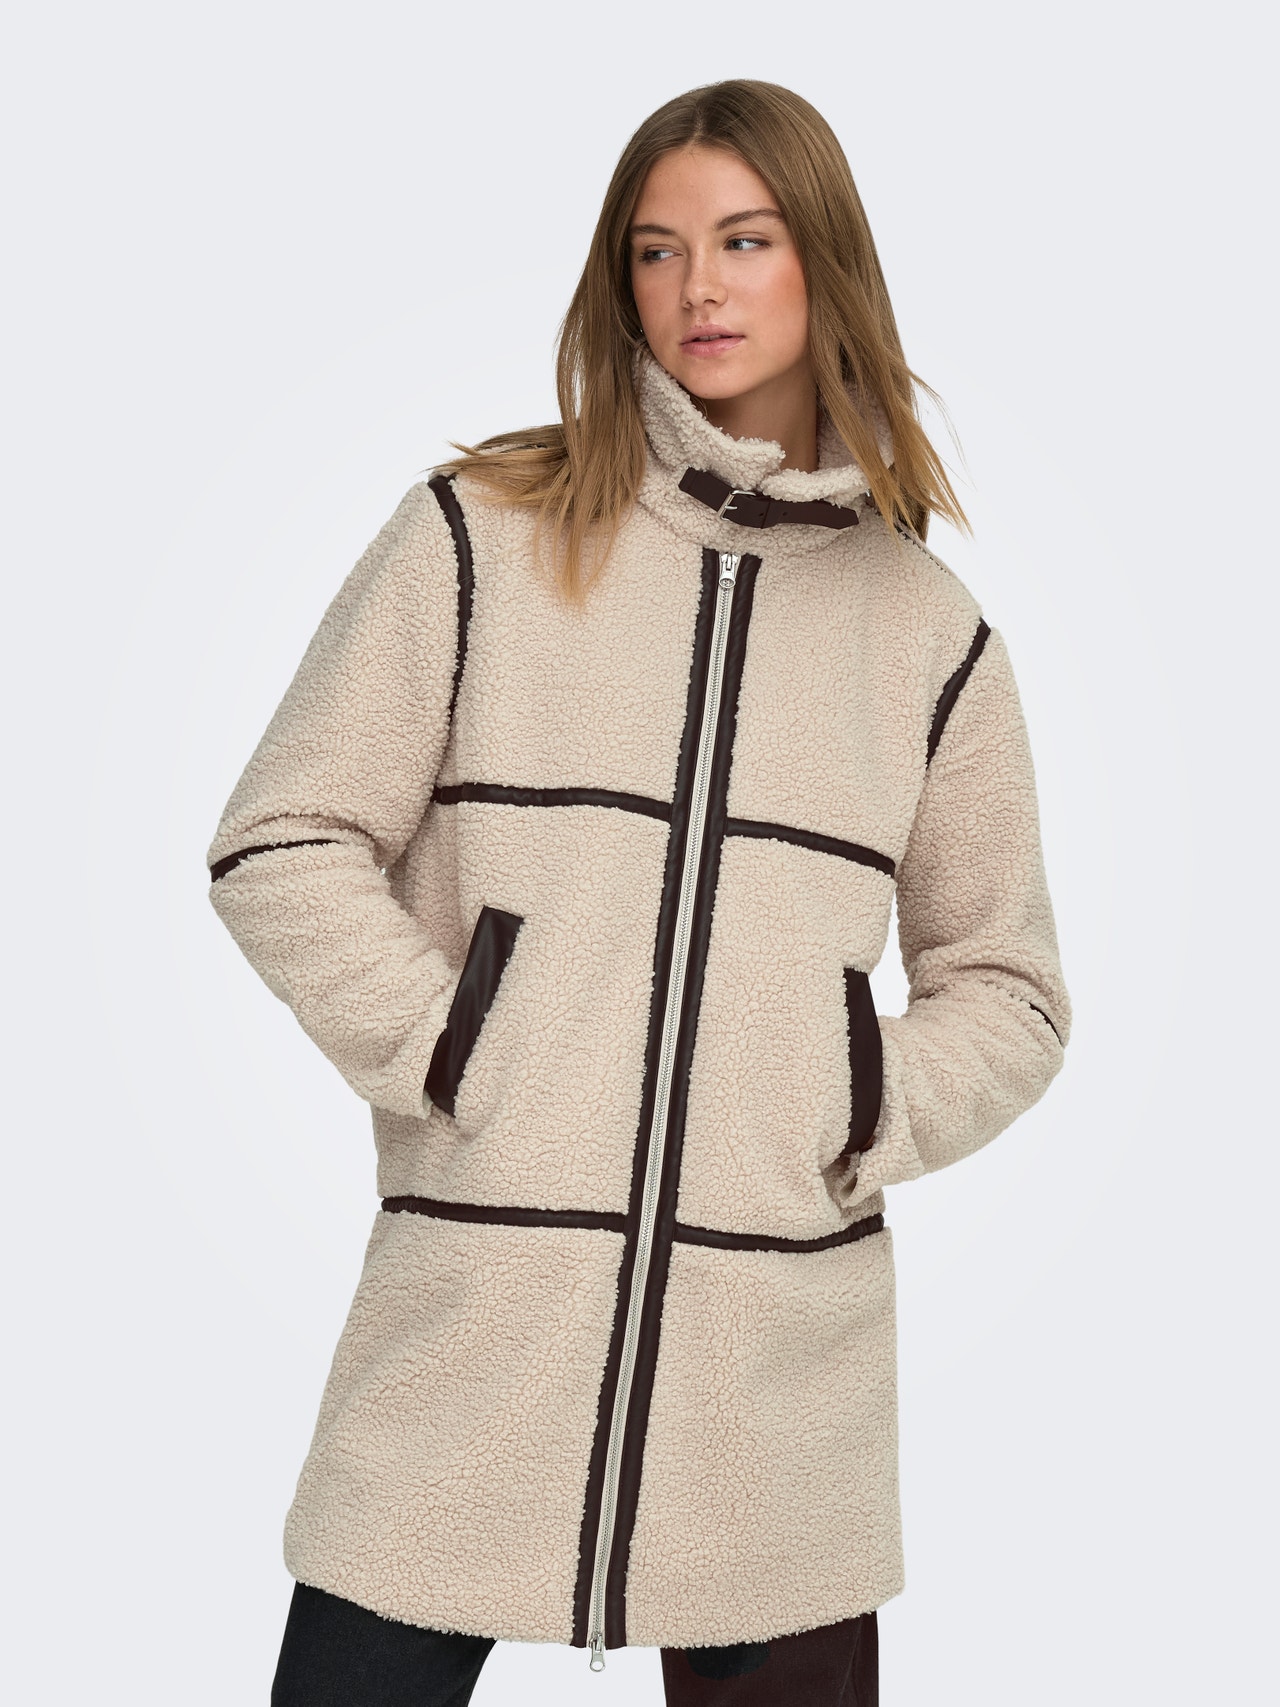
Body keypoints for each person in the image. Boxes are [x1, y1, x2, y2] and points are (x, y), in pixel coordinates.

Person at [209, 78, 1070, 1707]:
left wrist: (855, 1096)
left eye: (744, 241)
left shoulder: (927, 636)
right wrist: (453, 1044)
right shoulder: (480, 539)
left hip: (773, 1374)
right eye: (657, 250)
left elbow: (1010, 990)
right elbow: (283, 837)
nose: (698, 289)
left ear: (825, 264)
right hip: (475, 1327)